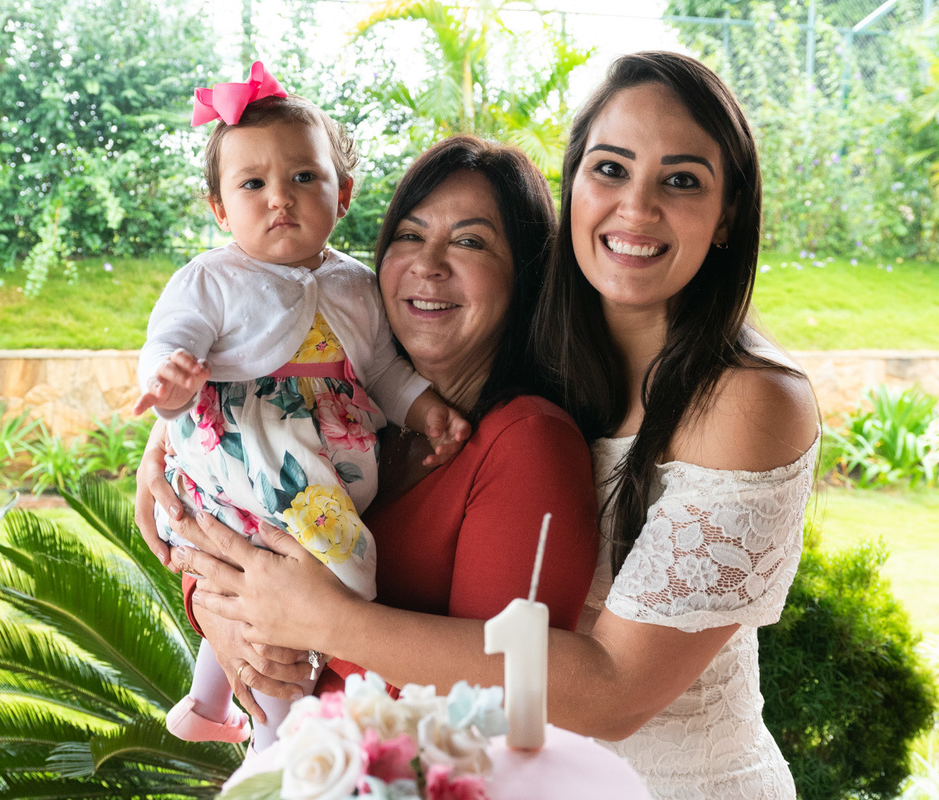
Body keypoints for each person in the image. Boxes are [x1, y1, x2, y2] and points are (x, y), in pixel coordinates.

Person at [162, 51, 818, 799]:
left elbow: (608, 695)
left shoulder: (727, 404)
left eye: (682, 180)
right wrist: (209, 560)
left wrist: (315, 621)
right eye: (610, 169)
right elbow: (257, 513)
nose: (635, 207)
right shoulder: (394, 408)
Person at [135, 134, 600, 747]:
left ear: (526, 274)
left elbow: (512, 701)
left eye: (470, 241)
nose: (428, 265)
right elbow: (246, 542)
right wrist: (217, 608)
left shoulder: (528, 443)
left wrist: (319, 624)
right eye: (409, 235)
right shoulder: (358, 416)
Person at [133, 60, 467, 750]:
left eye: (304, 177)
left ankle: (206, 701)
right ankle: (273, 739)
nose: (279, 198)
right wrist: (171, 381)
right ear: (220, 210)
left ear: (342, 195)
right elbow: (171, 340)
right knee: (320, 577)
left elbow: (380, 369)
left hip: (320, 456)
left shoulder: (358, 285)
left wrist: (422, 407)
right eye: (252, 184)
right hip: (252, 452)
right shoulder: (211, 278)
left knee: (263, 581)